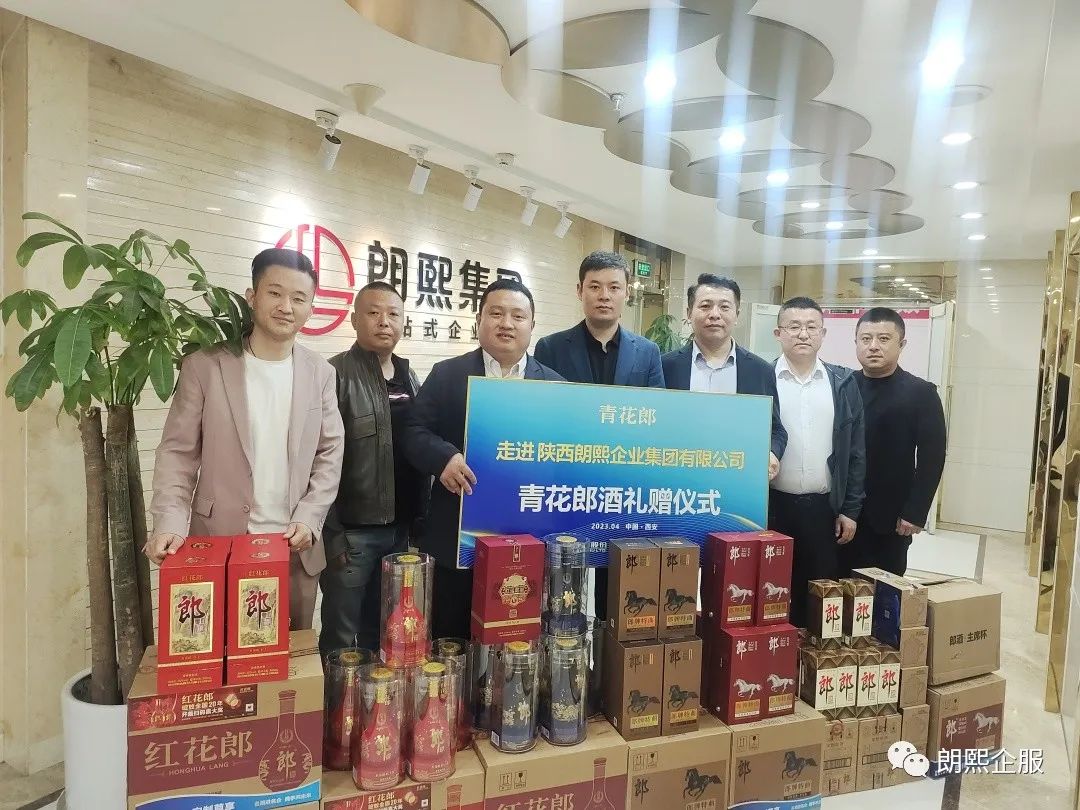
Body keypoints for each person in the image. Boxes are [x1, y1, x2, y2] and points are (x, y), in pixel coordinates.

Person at [147, 248, 345, 630]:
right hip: (218, 545)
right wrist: (169, 521)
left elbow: (330, 451)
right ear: (252, 297)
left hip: (293, 547)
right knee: (218, 652)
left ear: (310, 308)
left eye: (298, 298)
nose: (286, 306)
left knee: (290, 658)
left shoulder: (320, 372)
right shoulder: (205, 366)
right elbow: (177, 453)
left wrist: (311, 515)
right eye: (275, 293)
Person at [403, 278, 564, 638]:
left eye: (517, 316)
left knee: (515, 635)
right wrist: (443, 458)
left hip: (526, 534)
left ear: (532, 325)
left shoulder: (555, 386)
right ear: (479, 320)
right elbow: (413, 431)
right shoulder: (448, 374)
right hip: (456, 532)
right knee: (451, 636)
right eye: (496, 313)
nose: (506, 323)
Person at [534, 250, 664, 619]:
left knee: (618, 584)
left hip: (623, 484)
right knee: (562, 582)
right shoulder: (551, 348)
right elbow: (543, 414)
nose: (604, 295)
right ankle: (563, 647)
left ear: (627, 293)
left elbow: (658, 418)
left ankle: (611, 649)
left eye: (613, 287)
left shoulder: (647, 352)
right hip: (567, 483)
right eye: (594, 286)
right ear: (580, 291)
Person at [319, 281, 429, 655]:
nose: (384, 321)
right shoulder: (333, 375)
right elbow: (315, 460)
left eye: (393, 314)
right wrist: (332, 534)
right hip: (353, 535)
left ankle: (371, 693)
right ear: (354, 320)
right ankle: (333, 695)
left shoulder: (410, 377)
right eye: (373, 312)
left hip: (401, 532)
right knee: (340, 635)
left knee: (385, 628)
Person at [769, 297, 865, 627]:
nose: (803, 334)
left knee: (820, 593)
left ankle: (813, 654)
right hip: (773, 507)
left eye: (812, 327)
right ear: (778, 333)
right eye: (794, 326)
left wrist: (850, 510)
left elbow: (856, 452)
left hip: (824, 508)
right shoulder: (763, 378)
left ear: (823, 334)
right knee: (772, 591)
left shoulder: (843, 382)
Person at [840, 307, 947, 576]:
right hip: (842, 511)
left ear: (902, 344)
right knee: (835, 585)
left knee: (884, 587)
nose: (873, 346)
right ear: (856, 342)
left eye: (884, 339)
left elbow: (932, 457)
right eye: (866, 339)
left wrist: (916, 511)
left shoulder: (921, 393)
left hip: (891, 516)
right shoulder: (844, 387)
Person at [661, 273, 786, 480]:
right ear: (689, 313)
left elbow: (776, 430)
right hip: (677, 480)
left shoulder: (760, 371)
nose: (714, 314)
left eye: (724, 307)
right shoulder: (665, 366)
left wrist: (772, 453)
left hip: (737, 481)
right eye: (705, 306)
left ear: (737, 315)